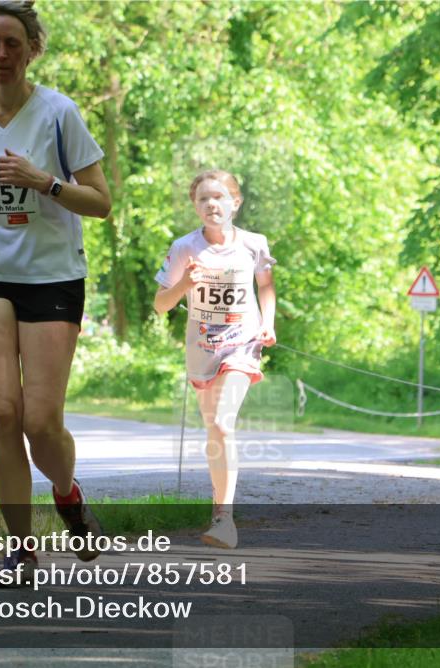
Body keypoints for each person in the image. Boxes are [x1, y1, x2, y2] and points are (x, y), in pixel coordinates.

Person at [0, 0, 111, 575]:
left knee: (41, 422)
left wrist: (44, 182)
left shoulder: (59, 113)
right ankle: (19, 546)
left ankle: (67, 492)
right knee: (2, 414)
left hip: (53, 276)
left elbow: (102, 202)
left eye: (13, 43)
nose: (1, 54)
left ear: (32, 48)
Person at [153, 169, 277, 549]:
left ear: (234, 203)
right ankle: (217, 509)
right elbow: (160, 306)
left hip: (242, 345)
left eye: (219, 197)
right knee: (214, 432)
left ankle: (225, 519)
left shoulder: (255, 244)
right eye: (203, 198)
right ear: (195, 206)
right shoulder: (184, 247)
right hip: (202, 349)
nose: (211, 204)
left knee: (223, 424)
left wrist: (268, 323)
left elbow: (266, 286)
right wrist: (185, 284)